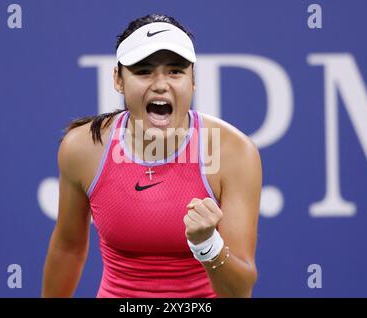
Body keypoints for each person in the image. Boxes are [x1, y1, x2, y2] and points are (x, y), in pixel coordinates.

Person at [42, 13, 262, 298]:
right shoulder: (83, 148)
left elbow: (239, 292)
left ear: (193, 80)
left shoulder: (235, 153)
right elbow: (68, 248)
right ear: (118, 80)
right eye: (144, 71)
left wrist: (207, 245)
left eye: (175, 71)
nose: (160, 84)